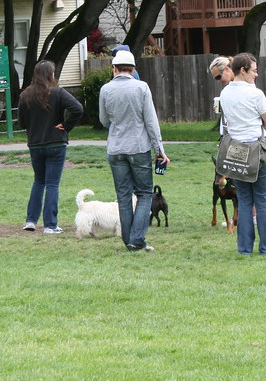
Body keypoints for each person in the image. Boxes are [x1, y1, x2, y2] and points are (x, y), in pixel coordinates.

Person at [99, 49, 169, 251]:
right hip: (138, 147)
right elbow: (151, 121)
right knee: (145, 193)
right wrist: (159, 150)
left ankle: (128, 239)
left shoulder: (106, 89)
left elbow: (104, 120)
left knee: (123, 195)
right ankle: (137, 239)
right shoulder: (142, 87)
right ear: (133, 69)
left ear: (114, 68)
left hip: (115, 148)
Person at [219, 53, 266, 255]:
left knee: (244, 200)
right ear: (243, 70)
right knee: (262, 200)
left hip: (236, 150)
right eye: (254, 70)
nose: (256, 74)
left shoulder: (225, 94)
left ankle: (244, 248)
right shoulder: (255, 94)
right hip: (258, 148)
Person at [18, 60, 84, 234]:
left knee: (39, 181)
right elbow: (77, 108)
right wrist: (66, 125)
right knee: (52, 184)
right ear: (50, 75)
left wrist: (34, 126)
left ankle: (30, 221)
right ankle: (50, 225)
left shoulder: (25, 95)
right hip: (56, 143)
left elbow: (21, 122)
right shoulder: (58, 93)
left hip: (35, 144)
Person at [209, 55, 234, 134]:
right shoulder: (227, 90)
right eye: (216, 78)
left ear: (227, 69)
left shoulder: (242, 86)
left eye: (219, 77)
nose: (218, 80)